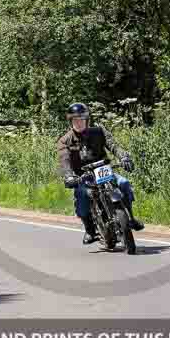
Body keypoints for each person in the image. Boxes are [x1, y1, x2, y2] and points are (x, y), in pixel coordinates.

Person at [56, 102, 144, 245]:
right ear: (70, 121)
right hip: (82, 176)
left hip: (103, 170)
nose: (78, 123)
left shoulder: (99, 132)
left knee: (124, 183)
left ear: (87, 120)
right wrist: (69, 176)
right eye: (74, 120)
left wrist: (124, 157)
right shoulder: (65, 141)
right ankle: (90, 230)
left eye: (81, 119)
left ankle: (131, 219)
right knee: (82, 195)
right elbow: (64, 160)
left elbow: (113, 145)